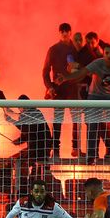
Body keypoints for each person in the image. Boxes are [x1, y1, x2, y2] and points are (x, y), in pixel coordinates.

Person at [57, 45, 110, 162]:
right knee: (93, 122)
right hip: (95, 96)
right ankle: (92, 155)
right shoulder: (97, 64)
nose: (109, 56)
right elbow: (81, 72)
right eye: (106, 53)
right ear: (104, 54)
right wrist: (66, 78)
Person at [42, 22, 79, 158]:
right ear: (59, 33)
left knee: (77, 119)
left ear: (70, 32)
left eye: (67, 31)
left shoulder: (76, 49)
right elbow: (45, 71)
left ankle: (76, 147)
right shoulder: (53, 49)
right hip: (59, 90)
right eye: (62, 31)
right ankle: (55, 149)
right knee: (58, 119)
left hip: (73, 89)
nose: (64, 33)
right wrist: (49, 87)